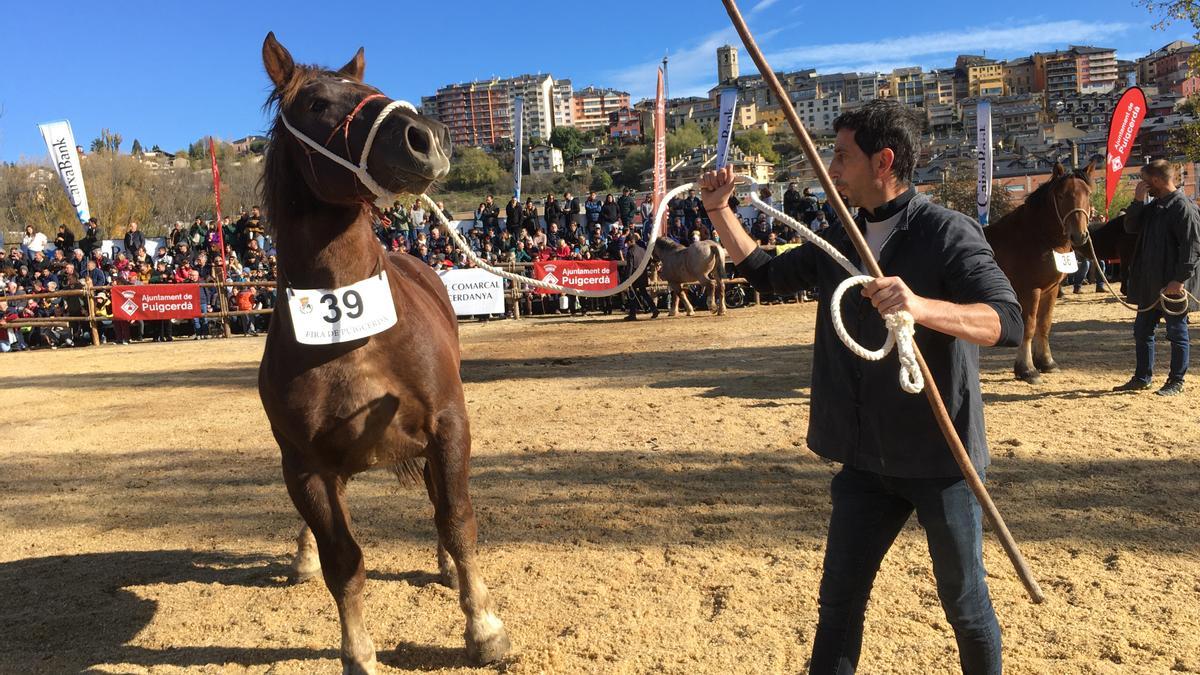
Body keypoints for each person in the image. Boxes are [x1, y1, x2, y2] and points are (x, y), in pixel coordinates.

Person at [699, 99, 1021, 675]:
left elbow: (1006, 322)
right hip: (864, 461)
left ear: (884, 161)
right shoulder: (839, 238)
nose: (832, 166)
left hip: (939, 458)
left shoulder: (948, 232)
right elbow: (765, 274)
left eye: (842, 156)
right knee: (838, 605)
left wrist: (920, 306)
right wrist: (719, 210)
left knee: (966, 608)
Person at [1112, 159, 1200, 397]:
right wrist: (1138, 201)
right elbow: (1130, 226)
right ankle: (1142, 377)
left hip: (1173, 285)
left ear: (1158, 181)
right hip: (1150, 285)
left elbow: (1192, 248)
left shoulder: (1184, 207)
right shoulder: (1153, 207)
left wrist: (1179, 280)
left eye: (1144, 180)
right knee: (1142, 331)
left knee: (1177, 333)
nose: (1142, 184)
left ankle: (1176, 380)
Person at [623, 232, 658, 321]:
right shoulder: (642, 249)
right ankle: (654, 309)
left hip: (634, 276)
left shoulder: (630, 251)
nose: (626, 244)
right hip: (642, 275)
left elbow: (630, 266)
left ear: (631, 241)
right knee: (644, 293)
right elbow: (649, 261)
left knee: (632, 295)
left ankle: (632, 314)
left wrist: (628, 279)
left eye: (627, 242)